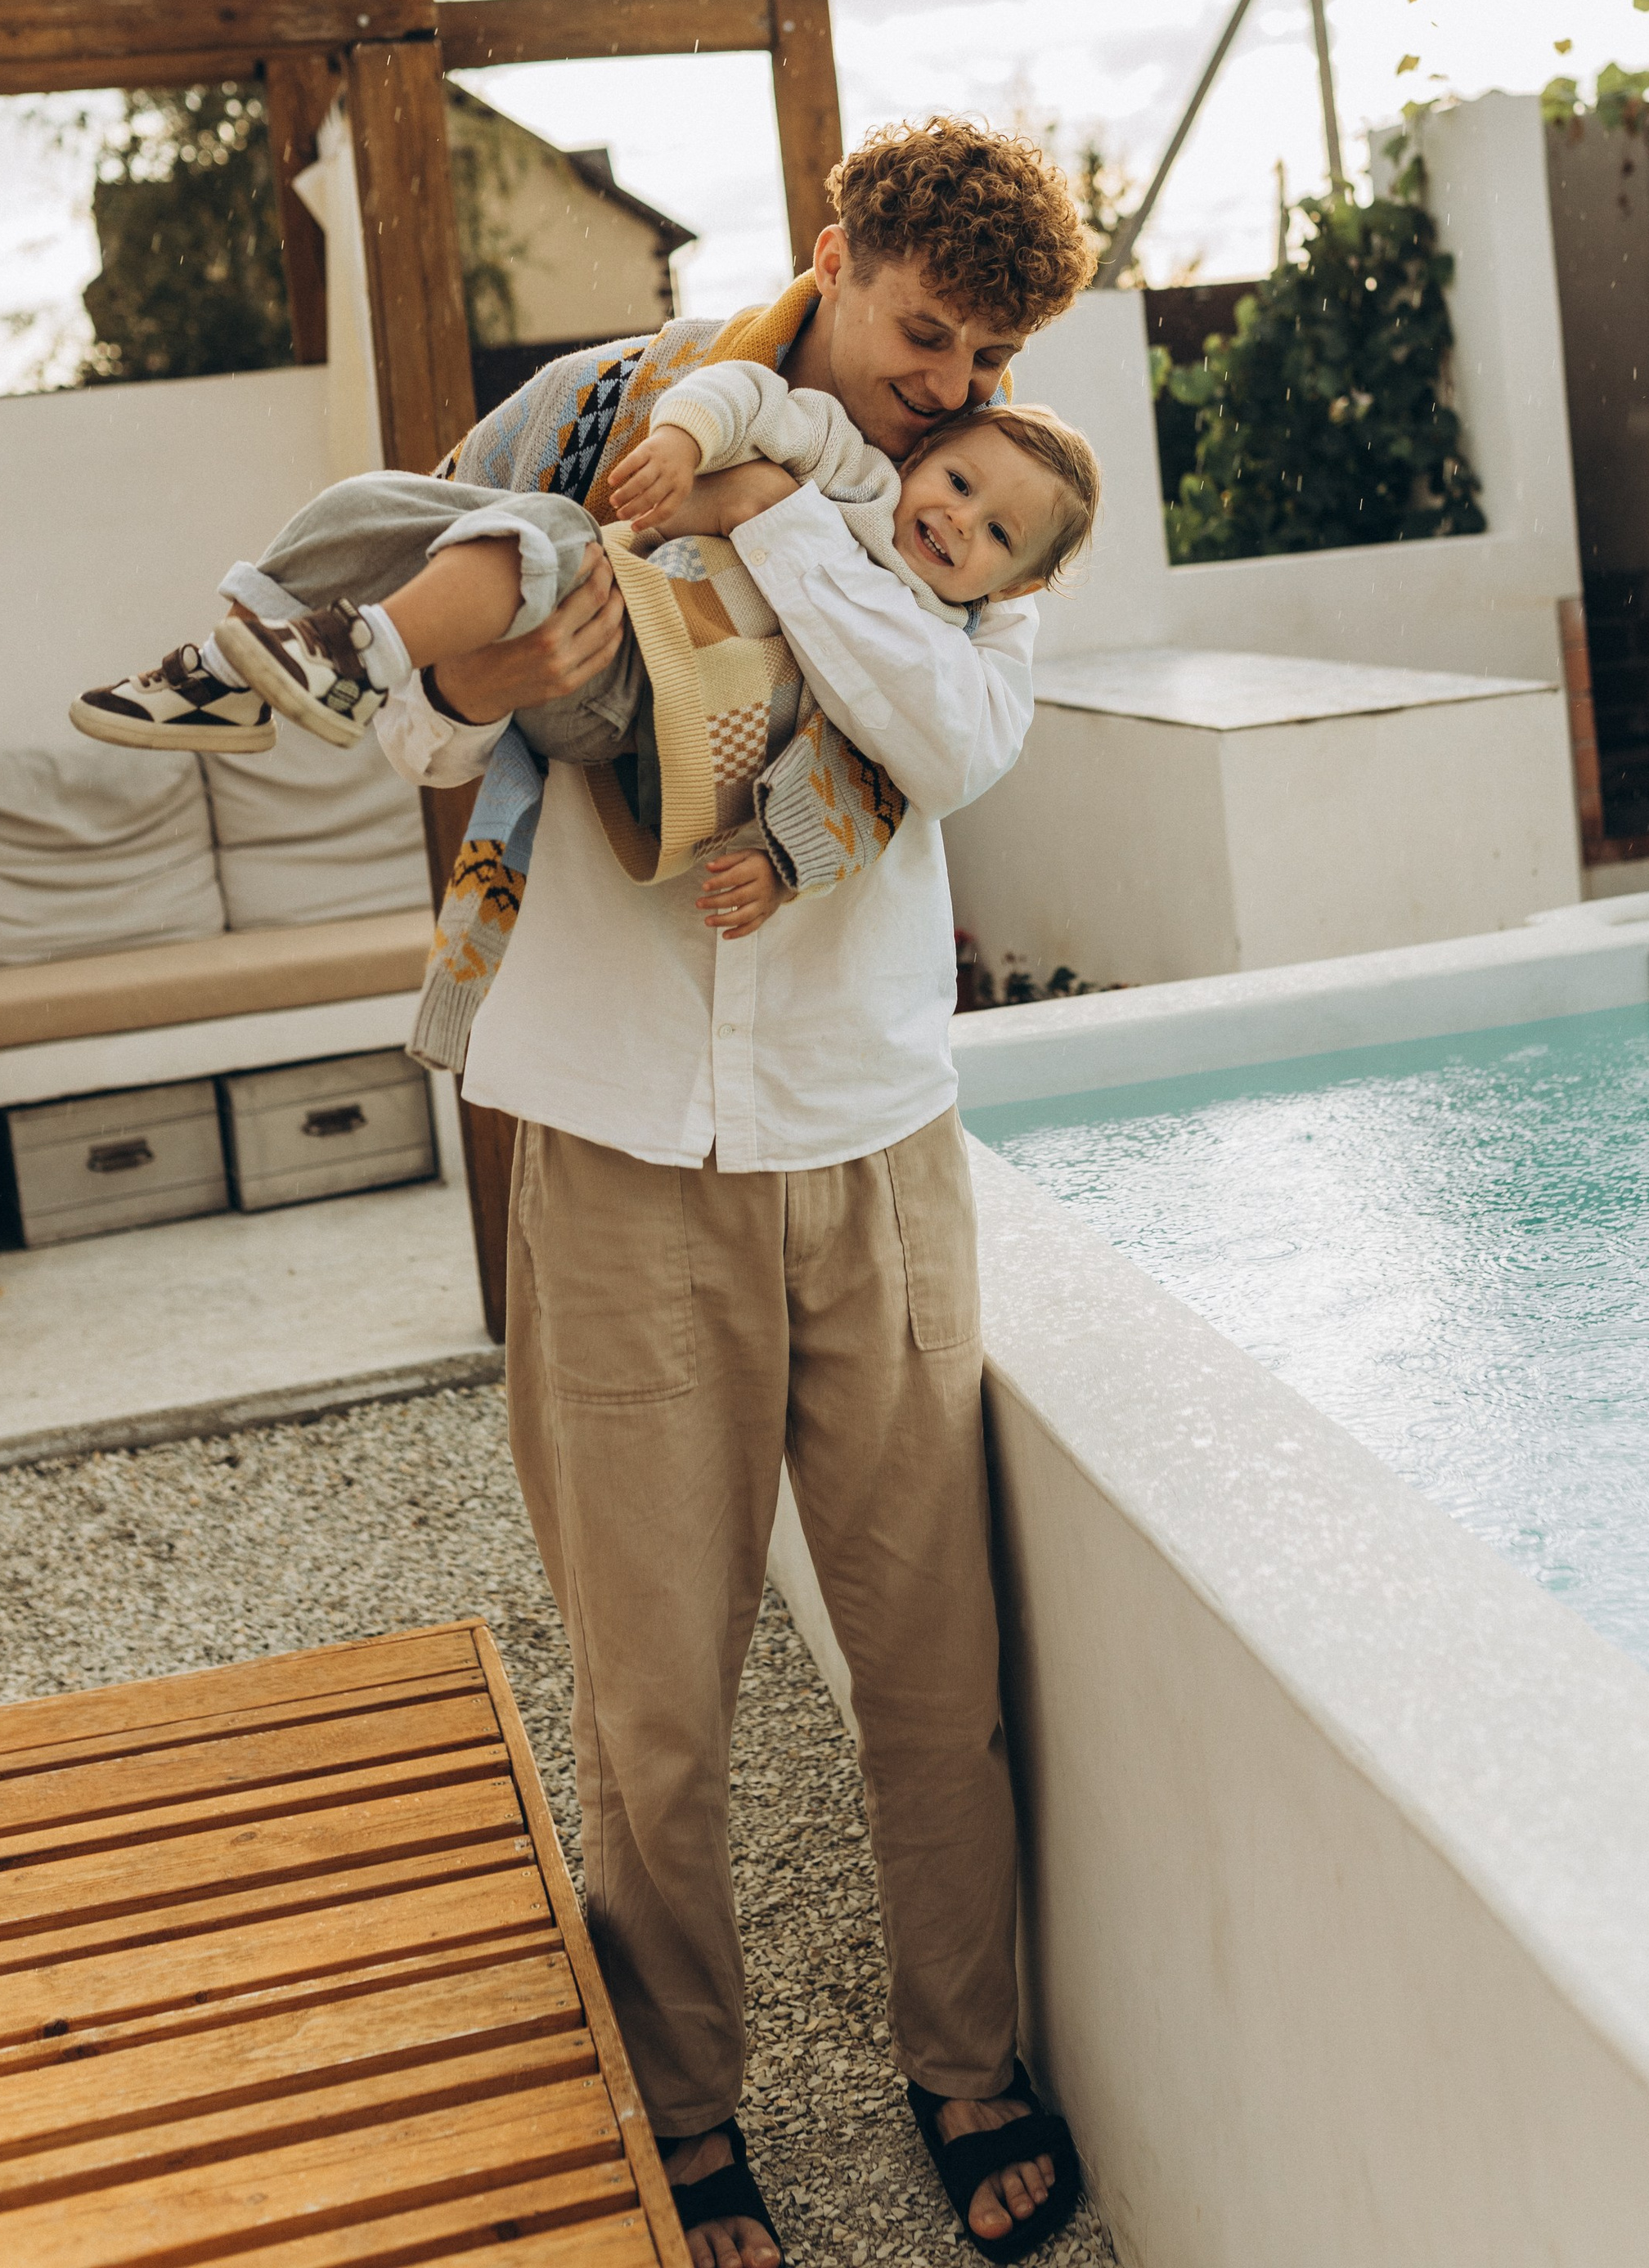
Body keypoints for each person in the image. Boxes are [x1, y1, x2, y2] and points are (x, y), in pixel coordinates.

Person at [402, 119, 1098, 2265]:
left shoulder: (972, 529)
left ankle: (964, 2064)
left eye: (980, 359)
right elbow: (442, 702)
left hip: (872, 1143)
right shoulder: (612, 416)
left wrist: (793, 518)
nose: (947, 385)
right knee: (656, 1704)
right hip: (612, 1144)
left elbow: (952, 740)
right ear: (836, 256)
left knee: (932, 1672)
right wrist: (512, 648)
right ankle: (685, 2113)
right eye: (922, 331)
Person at [69, 362, 1098, 960]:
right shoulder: (853, 468)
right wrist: (693, 450)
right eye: (958, 482)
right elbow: (746, 395)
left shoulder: (955, 633)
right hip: (597, 640)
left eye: (999, 537)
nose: (961, 523)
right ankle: (227, 666)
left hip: (650, 732)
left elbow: (875, 783)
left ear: (1015, 586)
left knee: (551, 535)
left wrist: (787, 862)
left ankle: (358, 649)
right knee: (382, 502)